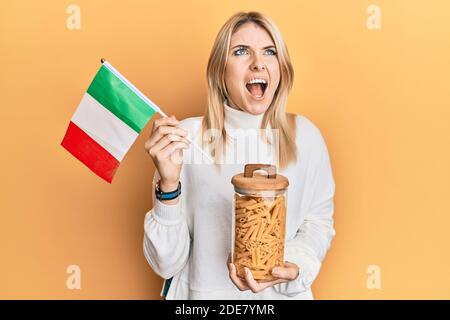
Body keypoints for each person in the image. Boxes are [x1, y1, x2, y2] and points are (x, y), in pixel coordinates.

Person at [143, 11, 336, 300]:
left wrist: (293, 266)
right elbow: (165, 263)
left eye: (269, 52)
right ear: (220, 70)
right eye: (241, 51)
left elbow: (317, 224)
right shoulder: (186, 139)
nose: (258, 62)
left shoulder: (305, 137)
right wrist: (168, 187)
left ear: (281, 68)